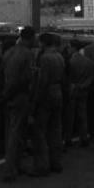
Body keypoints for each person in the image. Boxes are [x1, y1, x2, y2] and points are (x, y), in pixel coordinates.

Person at [0, 26, 36, 182]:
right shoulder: (27, 54)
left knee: (13, 132)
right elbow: (26, 78)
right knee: (16, 133)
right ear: (31, 38)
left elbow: (2, 75)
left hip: (7, 95)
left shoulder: (8, 53)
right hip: (19, 95)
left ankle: (17, 165)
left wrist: (4, 95)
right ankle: (10, 170)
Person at [30, 32, 65, 176]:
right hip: (58, 93)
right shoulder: (59, 57)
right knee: (55, 130)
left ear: (44, 43)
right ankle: (56, 162)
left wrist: (35, 99)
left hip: (46, 95)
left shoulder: (45, 58)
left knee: (40, 131)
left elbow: (43, 81)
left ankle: (42, 166)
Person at [64, 39, 94, 148]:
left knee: (70, 116)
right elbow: (91, 77)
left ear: (73, 48)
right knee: (83, 115)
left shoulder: (70, 61)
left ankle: (68, 138)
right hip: (84, 90)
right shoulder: (88, 62)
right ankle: (84, 137)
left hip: (72, 90)